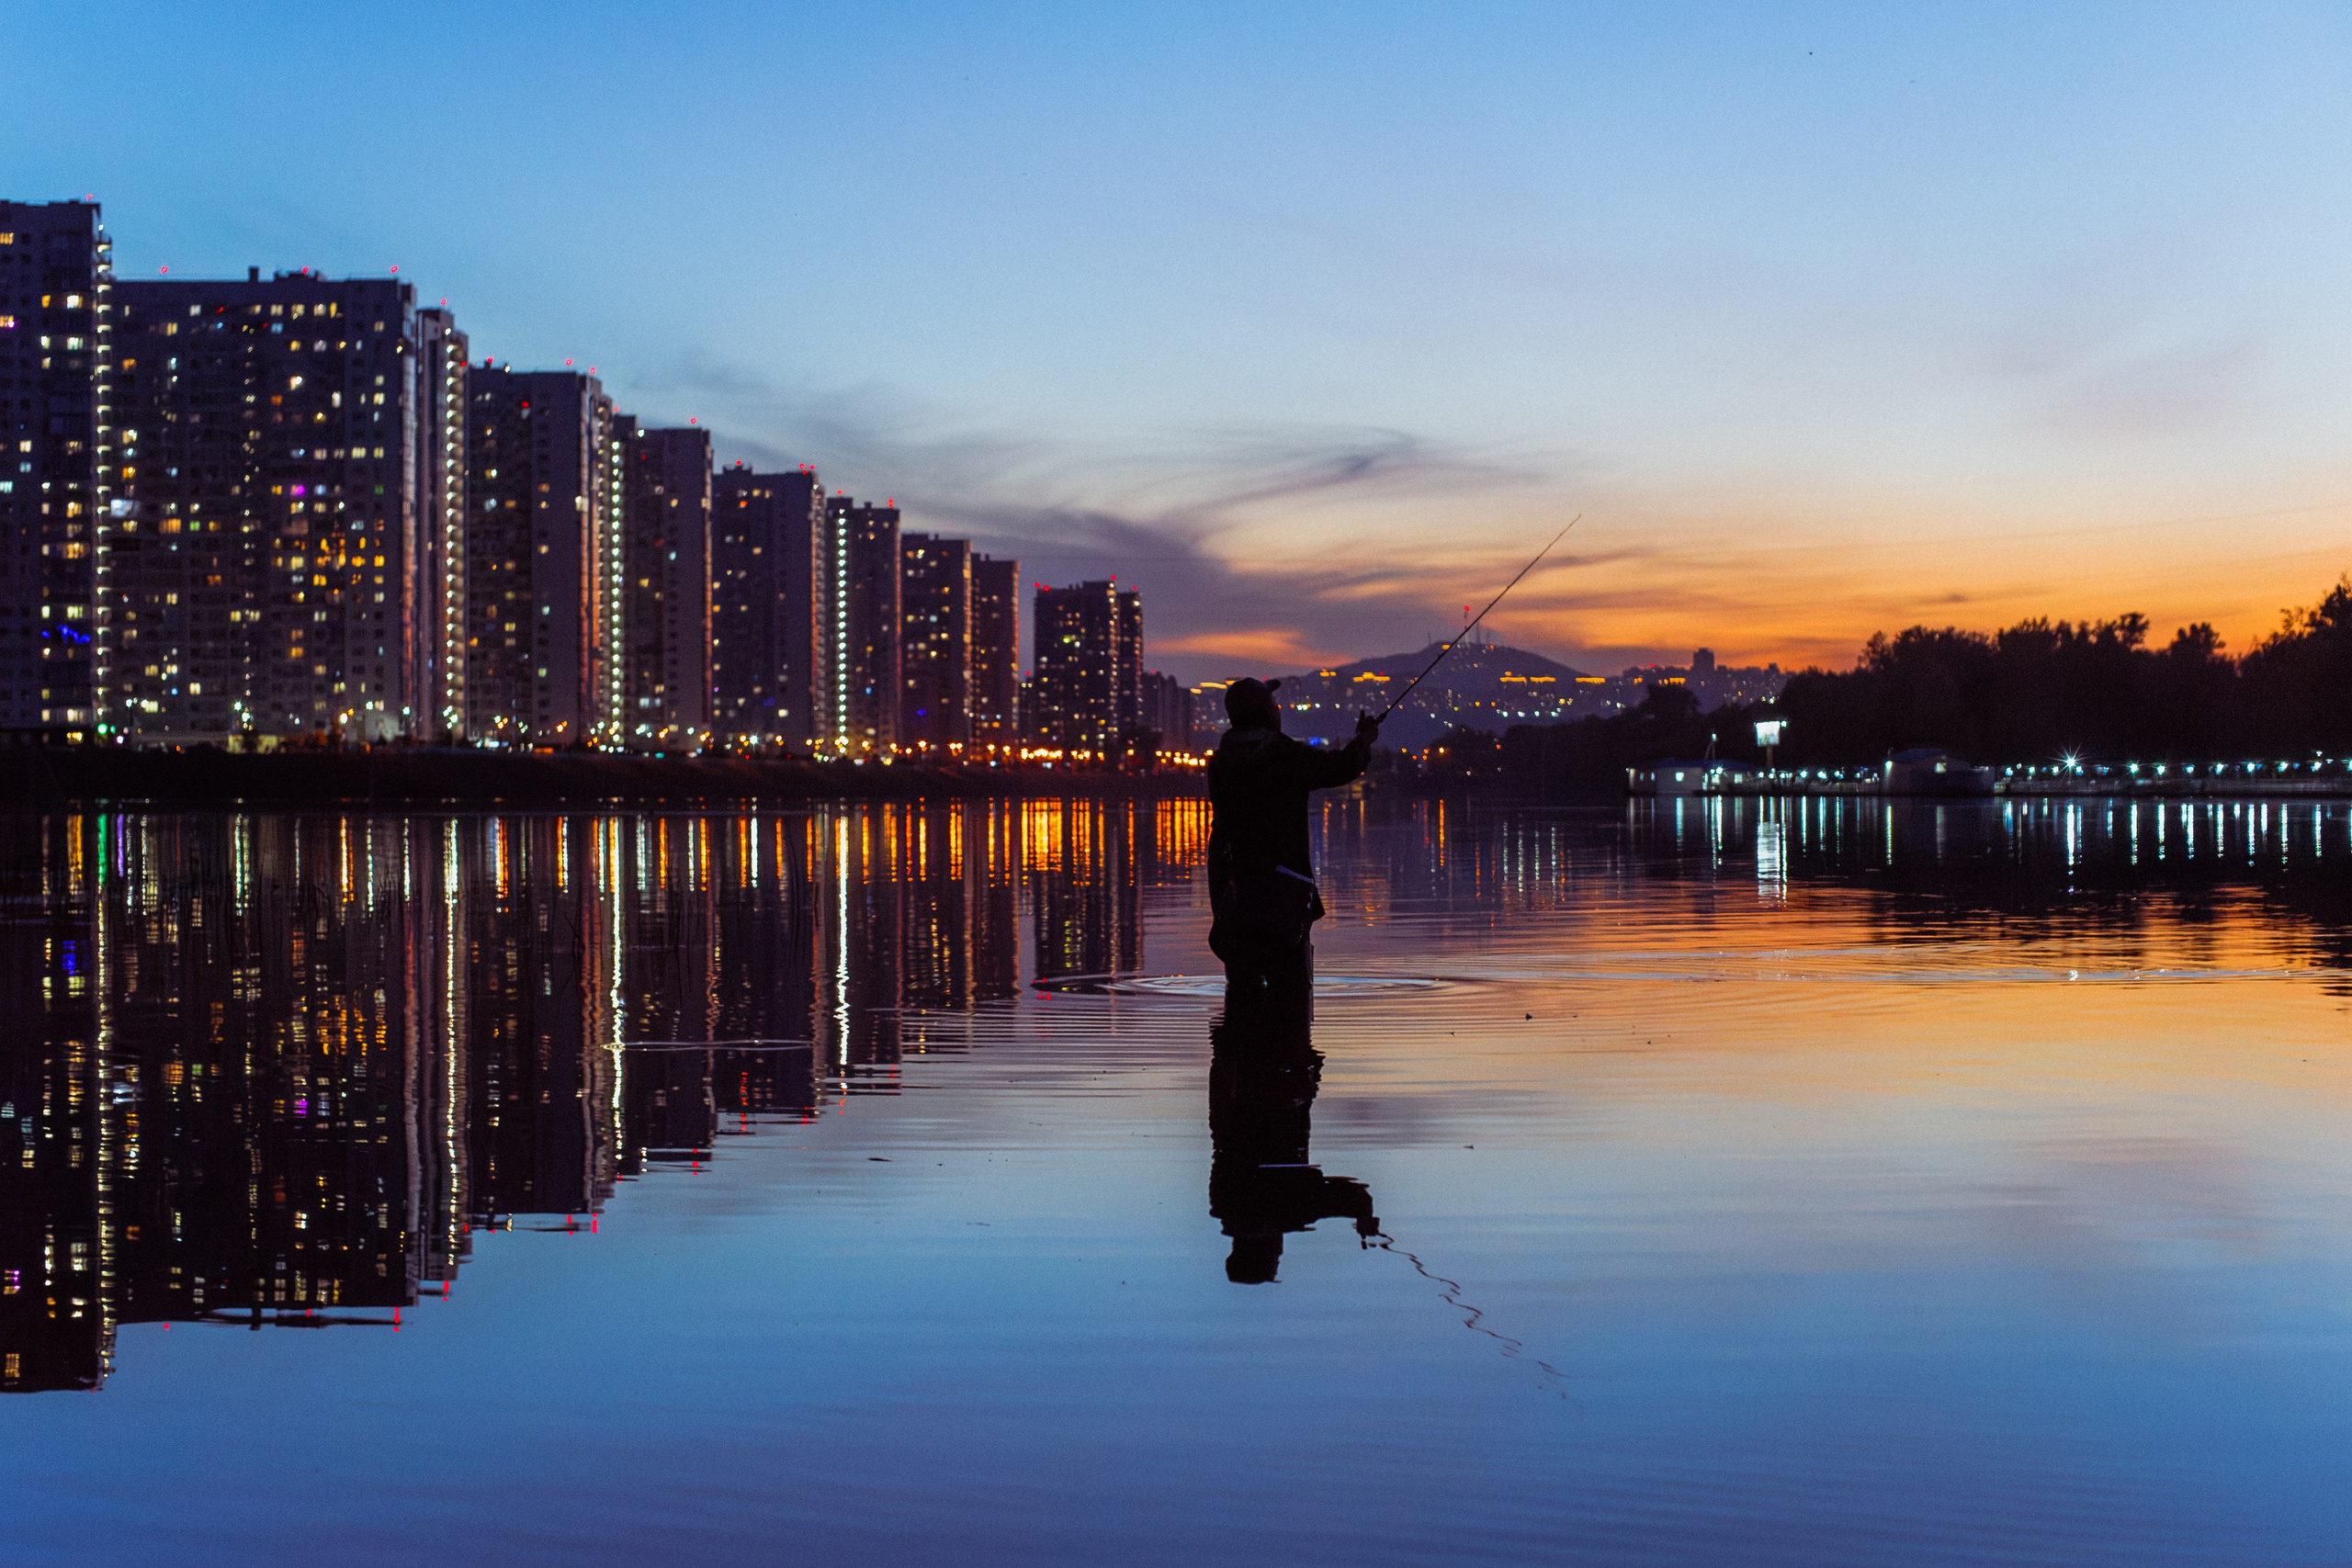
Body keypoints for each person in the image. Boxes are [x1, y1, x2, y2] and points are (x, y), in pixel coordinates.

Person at [1206, 964, 1377, 1284]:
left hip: (1272, 1084)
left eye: (1277, 1255)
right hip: (1246, 1087)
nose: (1281, 1249)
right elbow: (1351, 1198)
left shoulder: (1283, 1214)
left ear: (1269, 1251)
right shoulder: (1229, 1205)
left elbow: (1355, 1197)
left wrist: (1364, 1216)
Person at [1206, 678, 1380, 987]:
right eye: (1273, 705)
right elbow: (1341, 767)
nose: (1278, 711)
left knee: (1241, 991)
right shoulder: (1283, 756)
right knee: (1291, 992)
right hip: (1284, 892)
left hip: (1231, 890)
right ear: (1265, 713)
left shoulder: (1221, 761)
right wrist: (1364, 740)